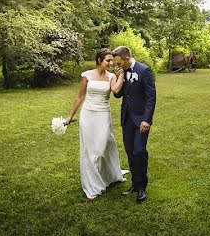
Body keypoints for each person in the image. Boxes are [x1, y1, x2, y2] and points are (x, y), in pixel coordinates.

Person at [65, 48, 125, 201]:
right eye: (108, 60)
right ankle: (91, 187)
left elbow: (116, 89)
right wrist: (70, 116)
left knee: (100, 149)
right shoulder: (86, 75)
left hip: (103, 115)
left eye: (112, 60)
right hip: (88, 115)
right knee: (88, 151)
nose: (111, 63)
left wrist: (121, 76)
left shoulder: (111, 76)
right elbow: (80, 97)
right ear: (99, 60)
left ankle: (109, 175)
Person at [111, 45, 156, 204]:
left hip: (141, 121)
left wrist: (147, 119)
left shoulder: (144, 71)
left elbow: (151, 97)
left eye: (118, 63)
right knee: (130, 152)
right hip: (127, 119)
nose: (116, 66)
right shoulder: (122, 72)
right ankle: (135, 185)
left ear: (127, 59)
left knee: (139, 151)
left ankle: (142, 187)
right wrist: (119, 77)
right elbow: (117, 95)